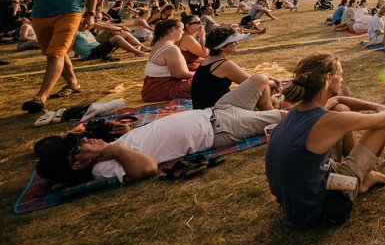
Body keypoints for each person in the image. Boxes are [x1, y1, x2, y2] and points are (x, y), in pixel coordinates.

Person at [34, 73, 284, 186]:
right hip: (217, 129)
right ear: (78, 164)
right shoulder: (104, 166)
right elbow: (147, 169)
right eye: (79, 146)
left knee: (260, 79)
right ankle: (285, 115)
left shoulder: (103, 153)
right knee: (286, 116)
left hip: (213, 112)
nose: (85, 140)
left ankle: (263, 115)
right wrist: (115, 152)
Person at [265, 53, 385, 227]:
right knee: (381, 125)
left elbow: (338, 99)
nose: (342, 79)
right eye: (340, 74)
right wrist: (381, 108)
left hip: (295, 204)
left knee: (342, 108)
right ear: (328, 78)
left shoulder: (298, 111)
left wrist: (372, 106)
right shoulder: (329, 121)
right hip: (318, 209)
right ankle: (359, 181)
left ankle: (361, 176)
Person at [22, 0, 98, 113]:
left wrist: (91, 14)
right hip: (40, 15)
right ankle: (73, 84)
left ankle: (41, 98)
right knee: (56, 53)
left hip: (69, 13)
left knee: (54, 54)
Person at [190, 27, 281, 110]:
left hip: (204, 107)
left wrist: (267, 78)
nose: (237, 43)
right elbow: (256, 83)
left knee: (262, 81)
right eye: (233, 42)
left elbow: (248, 78)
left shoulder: (208, 61)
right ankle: (271, 113)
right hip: (214, 112)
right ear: (222, 47)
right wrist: (274, 83)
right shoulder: (224, 65)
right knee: (262, 83)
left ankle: (269, 111)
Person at [141, 19, 195, 102]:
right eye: (182, 29)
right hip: (159, 91)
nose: (183, 32)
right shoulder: (171, 48)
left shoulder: (159, 43)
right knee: (206, 80)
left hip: (151, 89)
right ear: (173, 29)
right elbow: (180, 74)